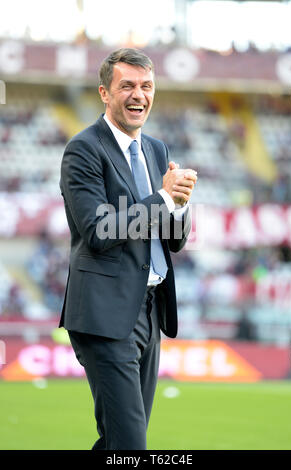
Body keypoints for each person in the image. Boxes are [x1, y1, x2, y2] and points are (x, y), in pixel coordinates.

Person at [59, 48, 197, 450]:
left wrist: (180, 204)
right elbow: (99, 230)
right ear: (105, 92)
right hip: (104, 313)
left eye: (146, 86)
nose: (139, 95)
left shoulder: (156, 150)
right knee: (130, 446)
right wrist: (163, 199)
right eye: (127, 86)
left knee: (119, 443)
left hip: (149, 309)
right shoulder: (84, 149)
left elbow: (173, 238)